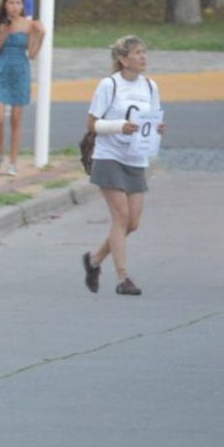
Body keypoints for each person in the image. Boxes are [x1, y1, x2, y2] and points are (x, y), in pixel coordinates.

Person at [81, 36, 164, 296]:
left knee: (133, 223)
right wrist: (119, 126)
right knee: (121, 216)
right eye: (137, 53)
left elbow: (153, 119)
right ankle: (123, 278)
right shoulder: (109, 85)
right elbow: (92, 124)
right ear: (123, 59)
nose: (143, 57)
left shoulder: (151, 86)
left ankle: (94, 260)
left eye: (144, 52)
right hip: (109, 156)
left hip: (135, 157)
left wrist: (157, 129)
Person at [0, 0, 47, 176]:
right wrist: (3, 34)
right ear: (5, 5)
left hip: (20, 70)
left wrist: (40, 35)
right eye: (11, 3)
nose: (14, 7)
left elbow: (32, 54)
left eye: (18, 3)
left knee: (16, 118)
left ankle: (13, 161)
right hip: (2, 68)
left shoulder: (28, 25)